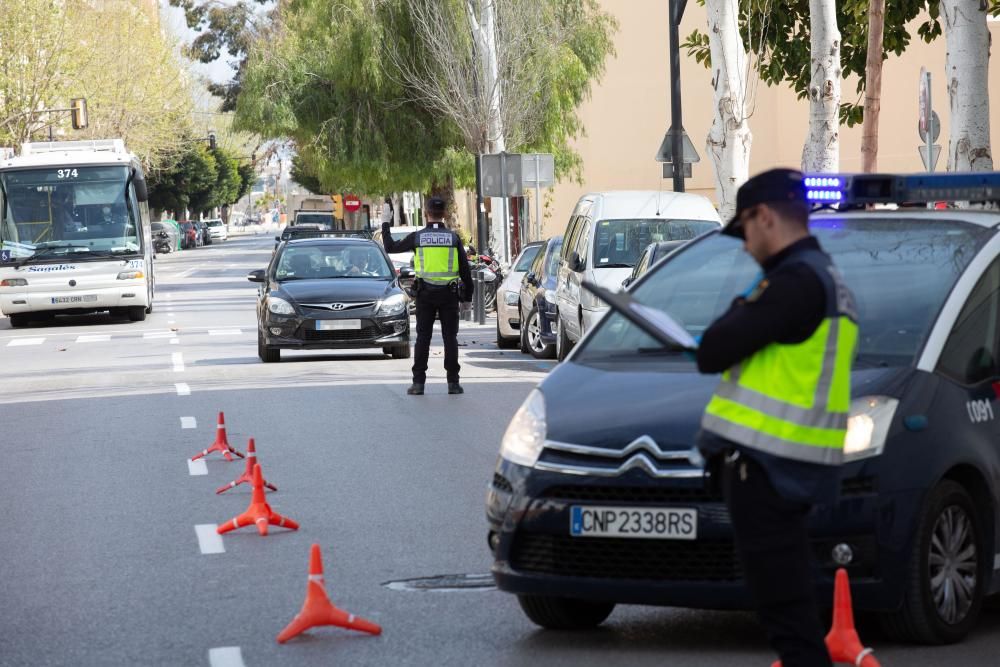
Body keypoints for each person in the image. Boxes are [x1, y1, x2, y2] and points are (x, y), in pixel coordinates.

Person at [695, 168, 858, 667]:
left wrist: (744, 303)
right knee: (792, 612)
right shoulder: (822, 276)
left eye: (744, 229)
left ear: (763, 217)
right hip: (792, 470)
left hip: (769, 471)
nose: (744, 245)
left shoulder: (794, 282)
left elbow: (713, 349)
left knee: (787, 619)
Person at [382, 195, 472, 395]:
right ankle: (453, 383)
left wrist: (385, 223)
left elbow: (390, 247)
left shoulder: (418, 237)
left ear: (426, 213)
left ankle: (418, 384)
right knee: (450, 338)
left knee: (423, 338)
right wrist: (467, 299)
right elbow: (466, 272)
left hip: (425, 295)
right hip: (449, 295)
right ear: (445, 214)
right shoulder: (453, 238)